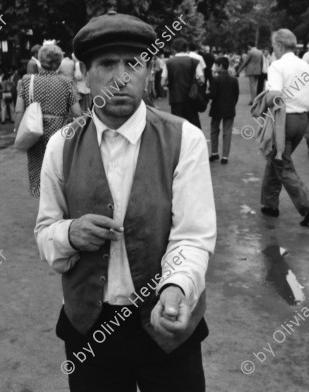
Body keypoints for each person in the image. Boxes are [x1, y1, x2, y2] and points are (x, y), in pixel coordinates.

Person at [35, 11, 216, 392]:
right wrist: (70, 234)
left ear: (148, 70)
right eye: (106, 64)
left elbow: (193, 236)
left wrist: (176, 288)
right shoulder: (60, 146)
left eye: (134, 63)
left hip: (166, 328)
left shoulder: (184, 139)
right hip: (90, 330)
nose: (122, 76)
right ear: (83, 74)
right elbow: (45, 232)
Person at [261, 29, 309, 227]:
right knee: (275, 161)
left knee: (282, 164)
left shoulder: (277, 66)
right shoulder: (306, 66)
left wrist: (264, 97)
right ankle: (269, 204)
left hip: (283, 121)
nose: (273, 51)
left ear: (279, 45)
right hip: (302, 121)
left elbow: (276, 96)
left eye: (274, 47)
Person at [15, 43, 82, 198]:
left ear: (39, 59)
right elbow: (77, 113)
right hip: (60, 133)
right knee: (58, 169)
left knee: (38, 167)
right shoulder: (66, 82)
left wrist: (18, 131)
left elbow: (19, 110)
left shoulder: (26, 80)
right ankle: (58, 204)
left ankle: (43, 204)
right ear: (58, 63)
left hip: (34, 132)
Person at [162, 37, 204, 128]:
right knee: (194, 126)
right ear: (187, 48)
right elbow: (202, 79)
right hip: (191, 99)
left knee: (178, 127)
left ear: (174, 49)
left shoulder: (169, 62)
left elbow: (162, 83)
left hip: (176, 100)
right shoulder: (194, 61)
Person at [208, 56, 239, 164]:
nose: (214, 67)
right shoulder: (234, 79)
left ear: (220, 66)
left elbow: (212, 95)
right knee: (227, 132)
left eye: (216, 65)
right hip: (229, 109)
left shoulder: (215, 79)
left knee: (214, 130)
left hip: (216, 108)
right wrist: (232, 104)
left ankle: (214, 153)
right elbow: (236, 95)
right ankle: (225, 156)